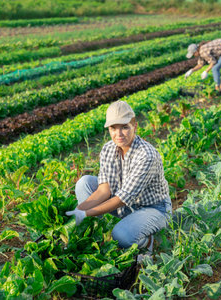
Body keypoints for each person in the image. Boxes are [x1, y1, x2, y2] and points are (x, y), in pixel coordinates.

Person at [65, 100, 172, 254]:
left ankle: (147, 241)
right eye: (113, 128)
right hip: (124, 207)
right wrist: (78, 210)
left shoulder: (146, 156)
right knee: (84, 183)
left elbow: (122, 199)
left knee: (120, 236)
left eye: (124, 127)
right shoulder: (108, 149)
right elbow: (104, 191)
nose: (118, 134)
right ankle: (95, 234)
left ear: (134, 126)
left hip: (153, 208)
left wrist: (87, 213)